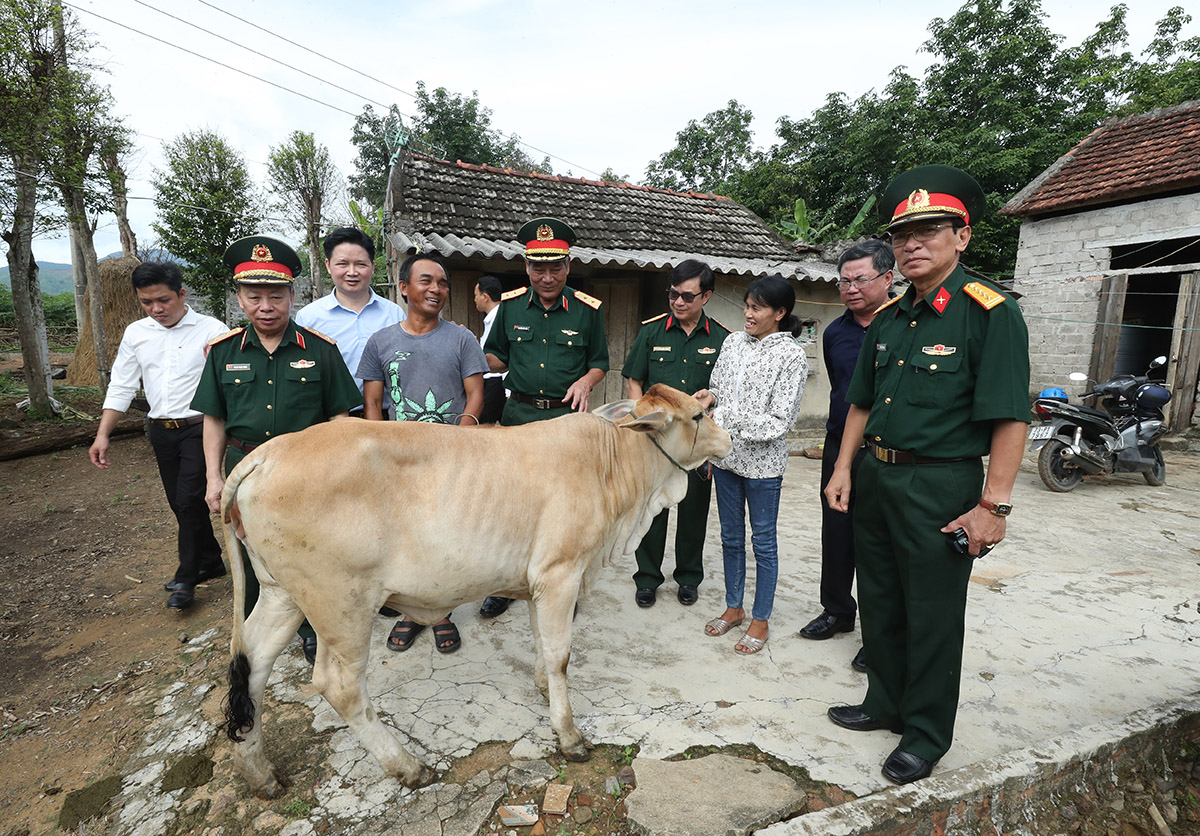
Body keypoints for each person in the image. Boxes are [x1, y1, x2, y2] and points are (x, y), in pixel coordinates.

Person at [824, 165, 1030, 785]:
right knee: (881, 600)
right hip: (877, 478)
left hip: (942, 486)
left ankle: (926, 733)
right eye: (902, 233)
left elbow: (1010, 417)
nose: (912, 243)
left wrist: (993, 506)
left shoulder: (989, 312)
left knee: (933, 613)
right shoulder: (888, 319)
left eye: (930, 230)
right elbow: (860, 403)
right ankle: (884, 703)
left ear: (961, 236)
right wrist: (843, 470)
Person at [191, 235, 362, 665]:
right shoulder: (222, 353)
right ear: (239, 298)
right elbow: (214, 419)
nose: (265, 306)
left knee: (308, 552)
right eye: (254, 296)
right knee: (247, 551)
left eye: (275, 296)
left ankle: (308, 627)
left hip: (306, 473)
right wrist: (214, 477)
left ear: (292, 296)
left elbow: (341, 421)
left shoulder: (321, 351)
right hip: (243, 468)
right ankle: (254, 628)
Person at [478, 217, 609, 618]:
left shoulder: (586, 312)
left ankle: (562, 585)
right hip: (518, 418)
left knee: (565, 508)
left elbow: (600, 361)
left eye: (556, 267)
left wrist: (587, 382)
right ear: (527, 267)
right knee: (511, 504)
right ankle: (503, 584)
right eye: (539, 267)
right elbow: (494, 355)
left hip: (565, 424)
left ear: (568, 267)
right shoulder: (511, 307)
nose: (547, 276)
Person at [358, 252, 488, 653]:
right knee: (406, 537)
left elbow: (476, 393)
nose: (436, 289)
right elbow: (374, 404)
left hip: (451, 460)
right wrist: (380, 454)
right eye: (426, 281)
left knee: (449, 533)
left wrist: (459, 441)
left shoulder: (462, 339)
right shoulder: (381, 342)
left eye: (443, 283)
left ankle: (442, 610)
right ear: (403, 287)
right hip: (400, 461)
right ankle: (414, 611)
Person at [89, 262, 229, 611]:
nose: (156, 309)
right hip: (160, 431)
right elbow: (122, 384)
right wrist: (102, 434)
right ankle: (210, 560)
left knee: (187, 501)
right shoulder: (137, 333)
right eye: (146, 302)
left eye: (163, 300)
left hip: (200, 428)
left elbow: (229, 385)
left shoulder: (212, 330)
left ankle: (186, 577)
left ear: (182, 294)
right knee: (180, 504)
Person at [694, 275, 808, 655]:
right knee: (729, 537)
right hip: (727, 459)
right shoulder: (732, 343)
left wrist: (727, 418)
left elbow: (780, 423)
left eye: (757, 308)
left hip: (763, 466)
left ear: (780, 312)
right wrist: (710, 398)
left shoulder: (790, 355)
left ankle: (761, 618)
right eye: (746, 305)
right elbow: (719, 389)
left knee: (763, 543)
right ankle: (734, 607)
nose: (748, 313)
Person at [799, 240, 895, 674]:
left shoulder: (903, 325)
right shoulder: (835, 332)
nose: (851, 288)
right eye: (844, 281)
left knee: (877, 544)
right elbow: (843, 393)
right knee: (836, 534)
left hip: (885, 451)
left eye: (861, 279)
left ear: (888, 278)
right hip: (840, 446)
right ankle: (837, 611)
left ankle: (878, 636)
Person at [622, 259, 730, 608]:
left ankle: (688, 577)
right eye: (673, 294)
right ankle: (647, 578)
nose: (679, 302)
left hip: (696, 445)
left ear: (706, 296)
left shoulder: (723, 339)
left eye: (687, 296)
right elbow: (634, 379)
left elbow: (726, 389)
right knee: (653, 509)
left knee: (694, 511)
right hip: (658, 443)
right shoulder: (652, 332)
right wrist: (641, 421)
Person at [295, 227, 406, 414]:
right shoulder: (309, 317)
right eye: (343, 264)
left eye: (360, 264)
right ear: (328, 266)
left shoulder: (394, 314)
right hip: (332, 421)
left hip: (387, 419)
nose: (352, 272)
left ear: (372, 266)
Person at [474, 275, 506, 424]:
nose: (475, 299)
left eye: (476, 295)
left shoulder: (500, 317)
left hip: (497, 380)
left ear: (485, 297)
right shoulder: (491, 318)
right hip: (492, 380)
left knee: (484, 426)